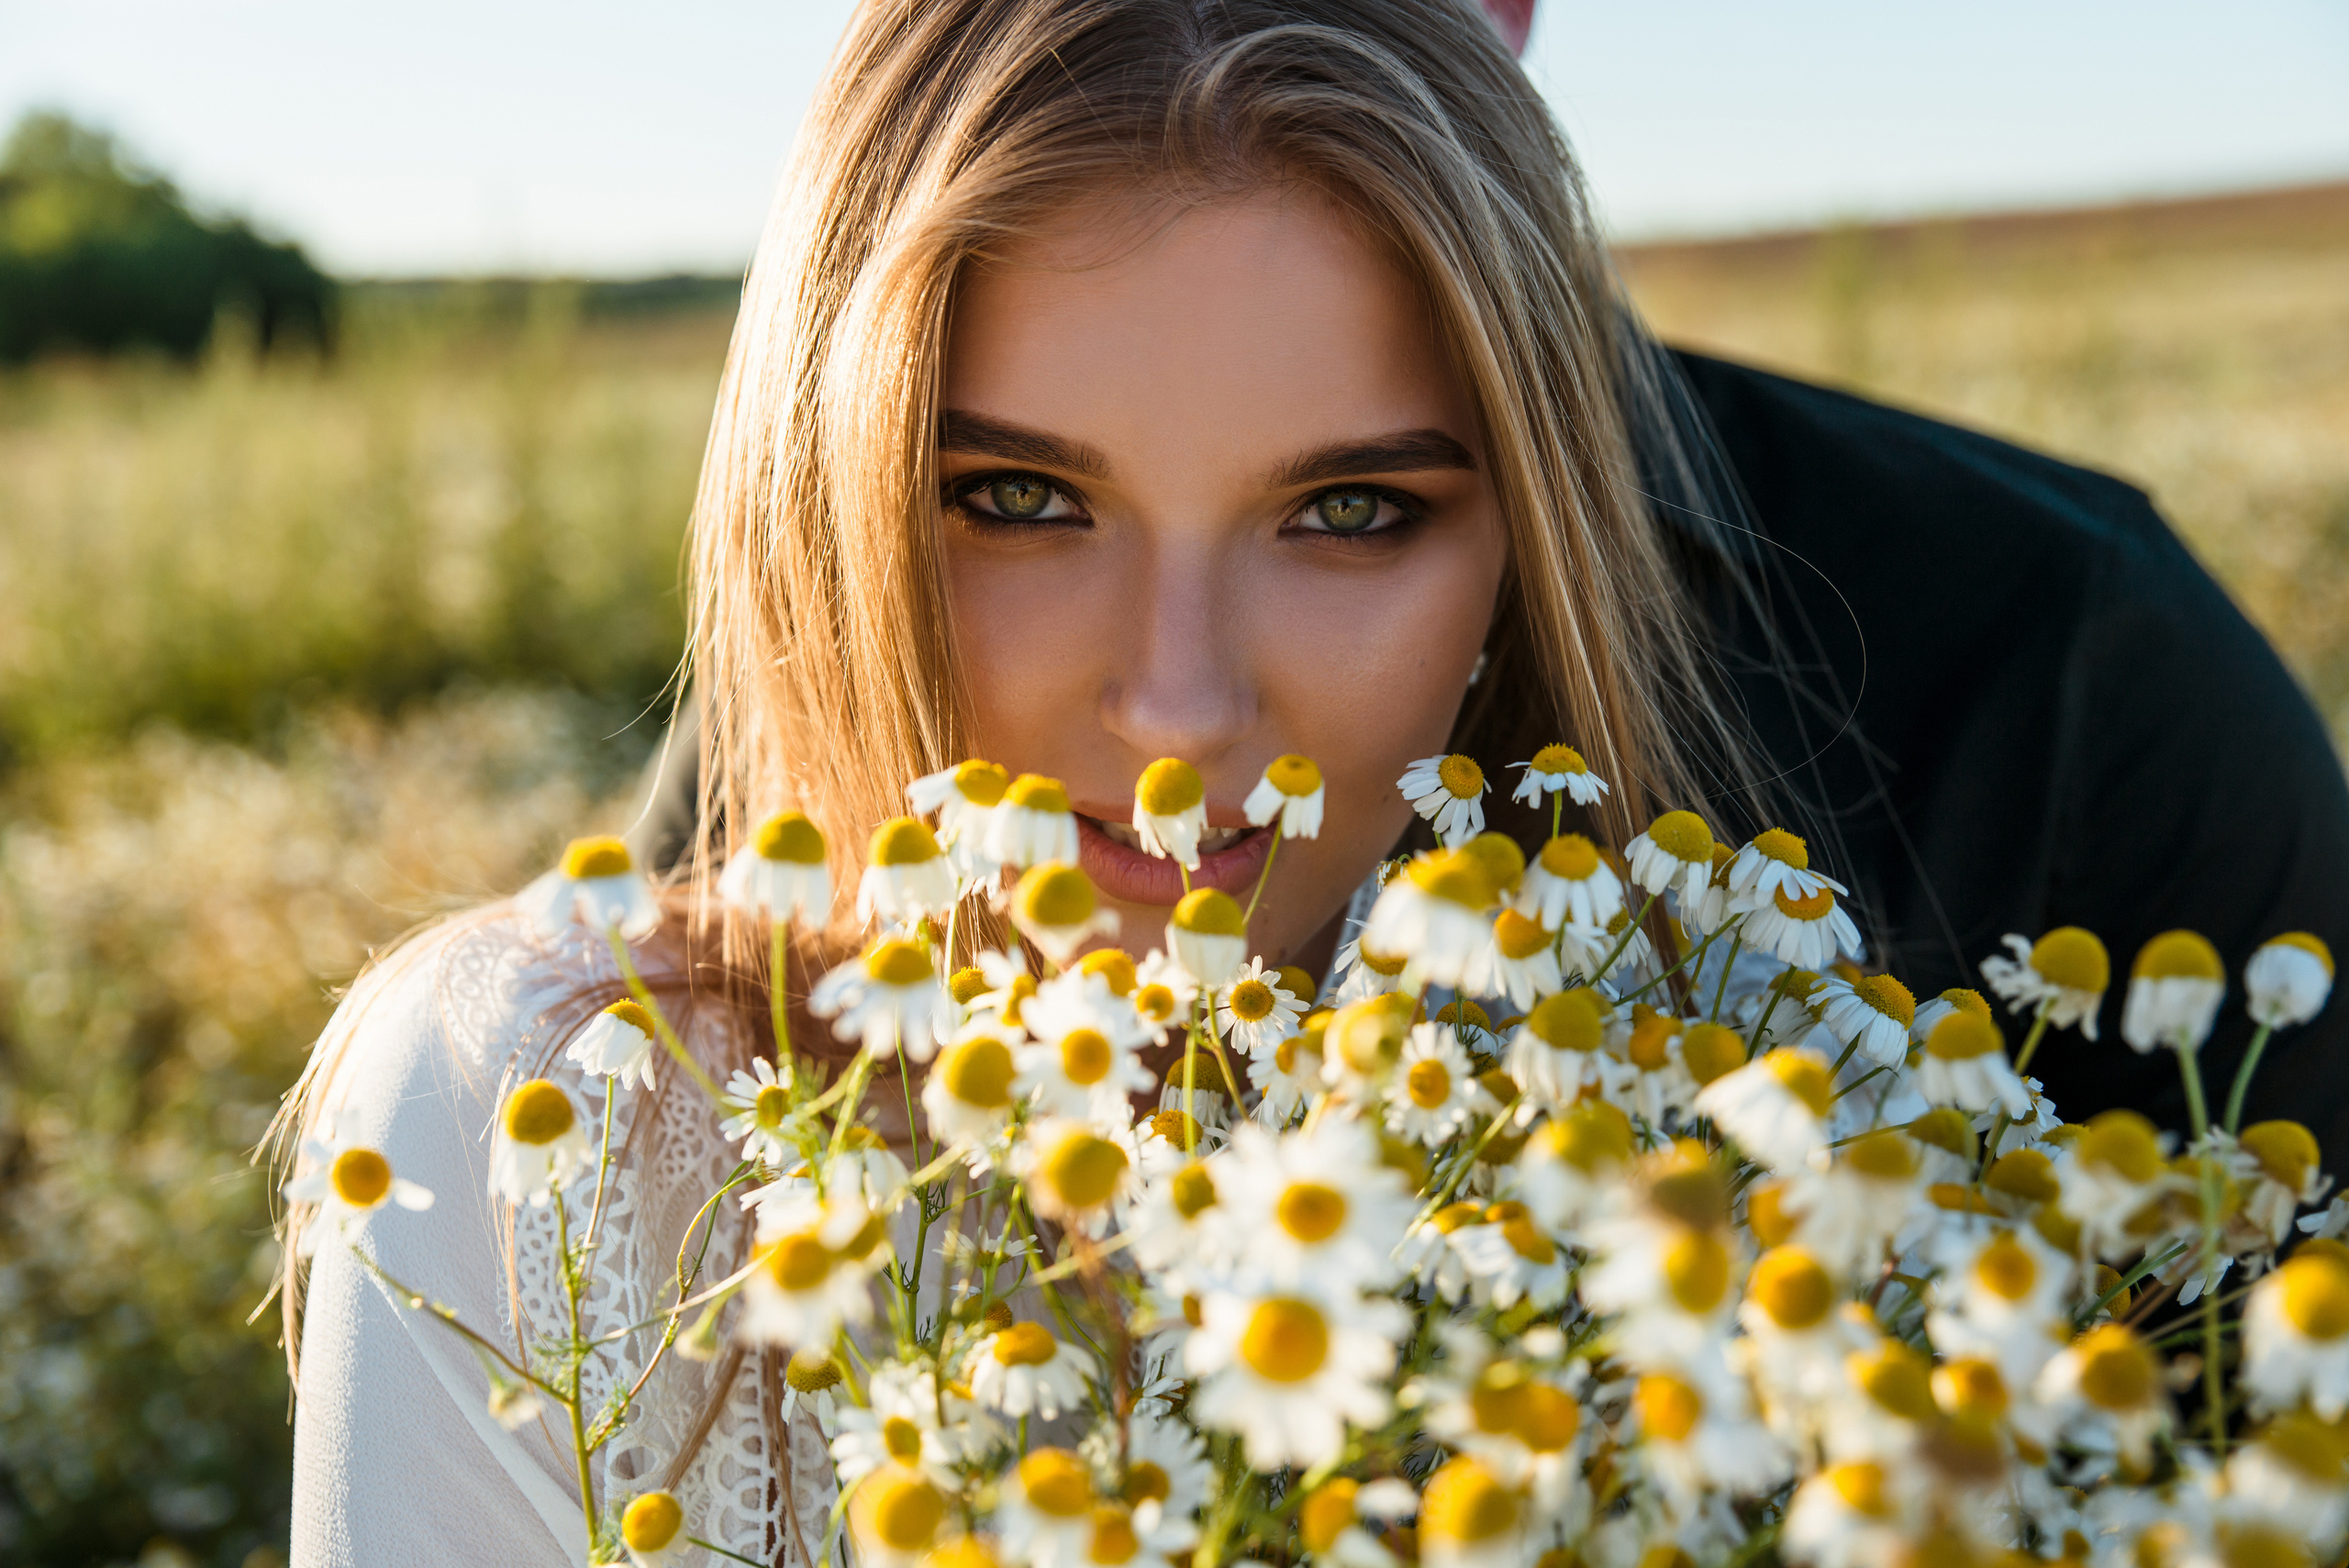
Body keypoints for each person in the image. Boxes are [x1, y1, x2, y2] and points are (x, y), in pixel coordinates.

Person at [279, 2, 2349, 1563]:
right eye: (1008, 495)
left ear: (1535, 529)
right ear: (821, 502)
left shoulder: (2053, 687)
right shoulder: (556, 1094)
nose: (1175, 709)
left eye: (1350, 511)